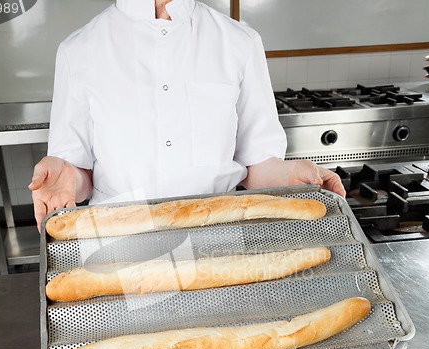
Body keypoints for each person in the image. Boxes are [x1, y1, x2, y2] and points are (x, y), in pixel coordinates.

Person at [29, 0, 345, 230]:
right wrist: (69, 179)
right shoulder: (80, 49)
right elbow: (79, 174)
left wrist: (292, 177)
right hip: (120, 243)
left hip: (219, 238)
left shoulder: (239, 42)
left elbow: (256, 166)